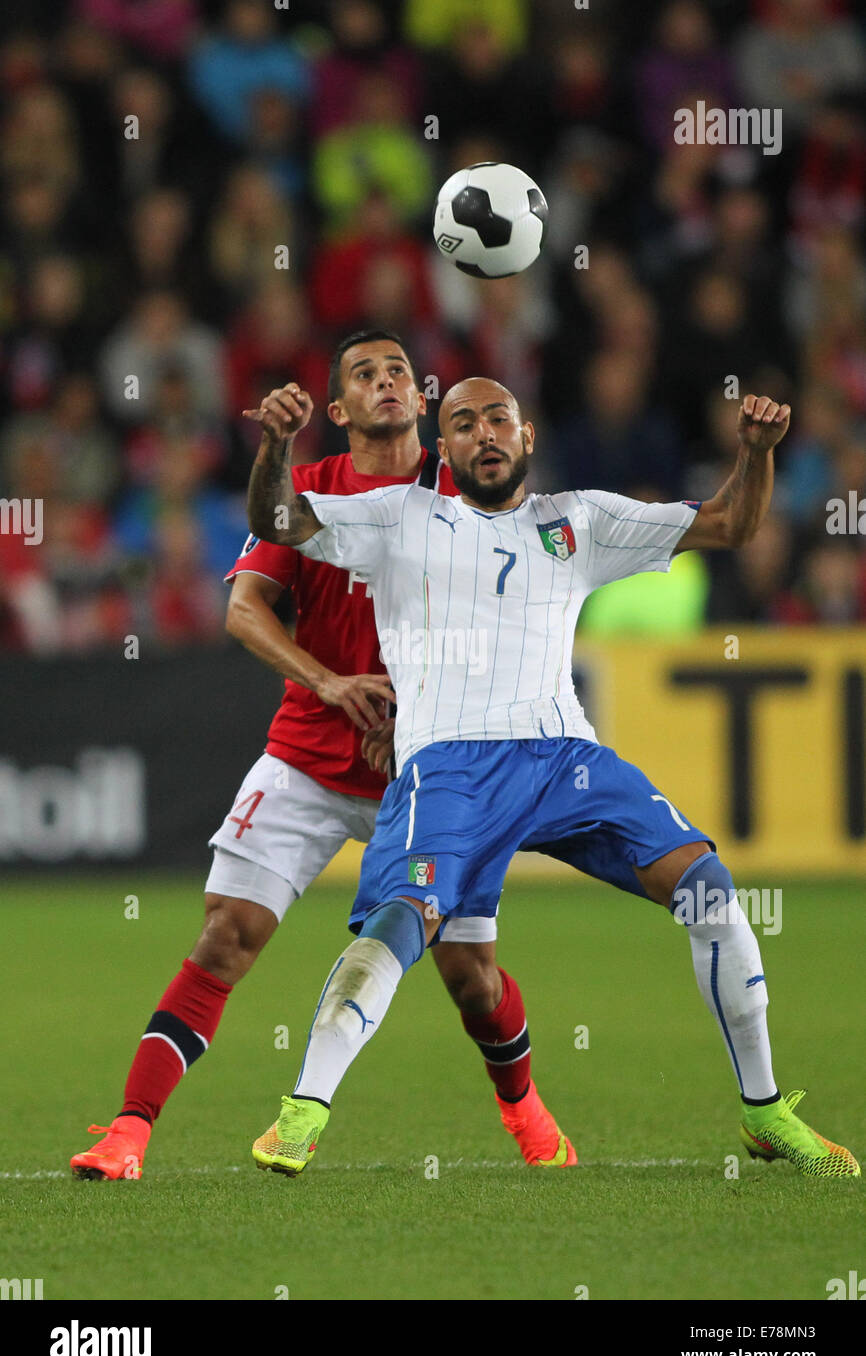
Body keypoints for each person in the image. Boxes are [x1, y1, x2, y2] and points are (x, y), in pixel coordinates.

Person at [244, 373, 859, 1180]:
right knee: (405, 919)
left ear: (528, 437)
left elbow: (732, 524)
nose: (485, 433)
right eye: (463, 423)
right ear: (444, 449)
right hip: (451, 763)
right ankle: (302, 1113)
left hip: (565, 759)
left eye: (500, 418)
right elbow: (279, 519)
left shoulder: (579, 521)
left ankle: (766, 1111)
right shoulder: (401, 516)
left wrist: (754, 453)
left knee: (708, 887)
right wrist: (275, 447)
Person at [69, 334, 575, 1182]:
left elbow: (520, 628)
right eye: (364, 376)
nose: (385, 383)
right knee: (225, 938)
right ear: (338, 412)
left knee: (471, 978)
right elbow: (245, 613)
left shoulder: (474, 496)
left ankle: (522, 1105)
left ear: (423, 401)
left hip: (430, 772)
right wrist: (332, 682)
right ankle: (127, 1133)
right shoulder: (307, 494)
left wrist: (421, 710)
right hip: (307, 758)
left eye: (398, 374)